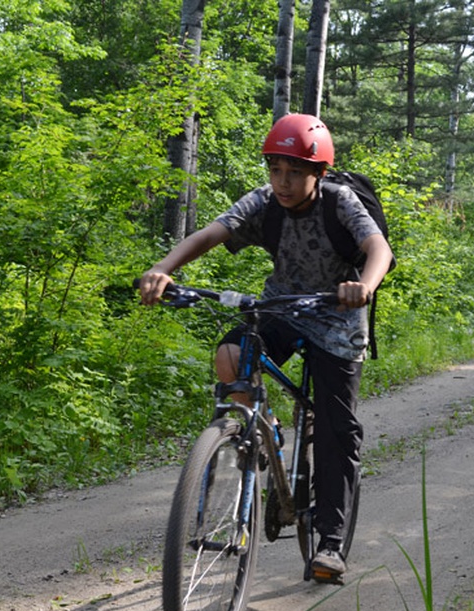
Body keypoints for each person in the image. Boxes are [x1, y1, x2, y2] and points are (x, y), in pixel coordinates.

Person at [138, 113, 394, 582]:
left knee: (337, 427)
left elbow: (379, 249)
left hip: (337, 317)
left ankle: (331, 543)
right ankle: (268, 432)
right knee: (230, 357)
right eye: (276, 170)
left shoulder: (340, 202)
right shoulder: (265, 203)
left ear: (317, 173)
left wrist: (365, 285)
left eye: (295, 172)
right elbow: (211, 233)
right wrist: (163, 268)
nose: (283, 181)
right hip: (283, 306)